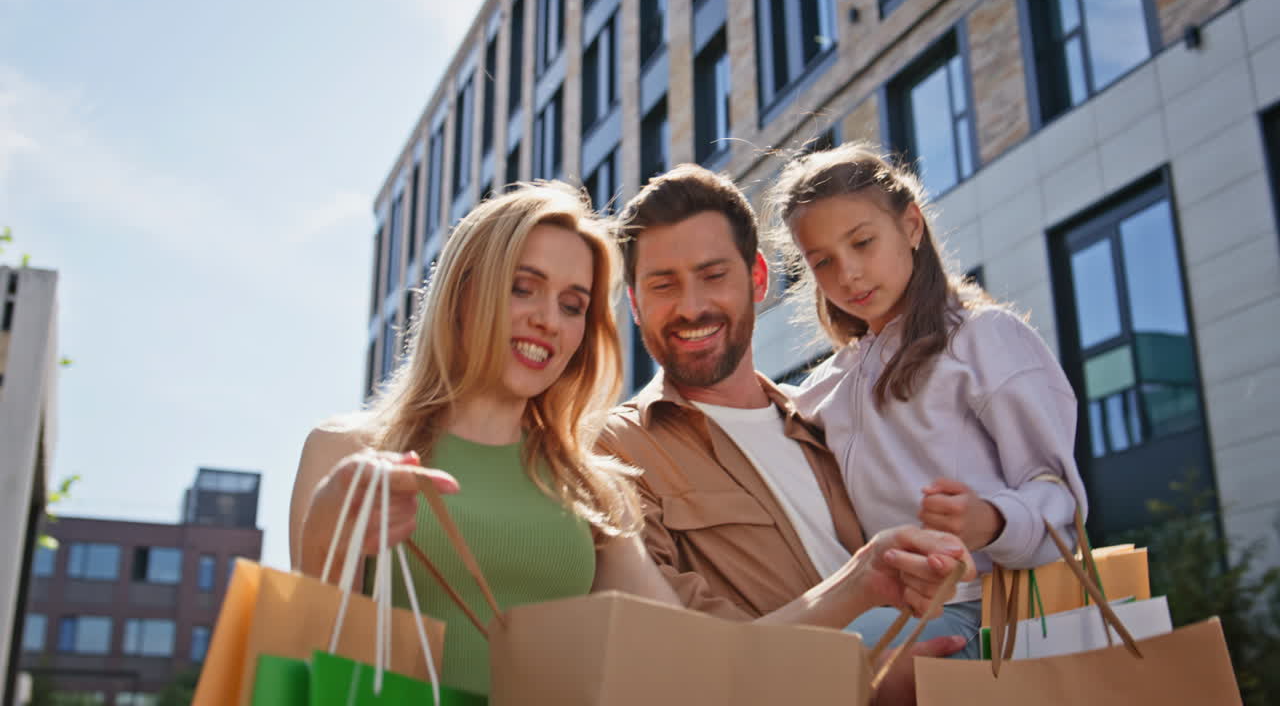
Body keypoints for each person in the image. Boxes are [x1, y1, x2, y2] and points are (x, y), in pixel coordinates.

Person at [289, 182, 974, 698]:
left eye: (572, 304)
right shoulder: (346, 450)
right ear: (466, 295)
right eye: (523, 288)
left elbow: (699, 668)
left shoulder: (590, 487)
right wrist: (331, 529)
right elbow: (308, 648)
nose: (547, 321)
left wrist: (860, 583)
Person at [765, 142, 1089, 657]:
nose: (846, 273)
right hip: (894, 609)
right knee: (779, 657)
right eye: (822, 261)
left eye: (863, 242)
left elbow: (1061, 506)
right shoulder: (833, 383)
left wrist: (993, 520)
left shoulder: (985, 337)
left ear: (911, 225)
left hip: (990, 611)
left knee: (789, 664)